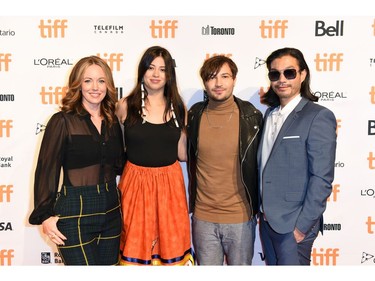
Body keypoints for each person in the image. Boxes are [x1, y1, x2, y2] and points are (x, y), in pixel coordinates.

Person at [28, 56, 126, 265]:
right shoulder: (62, 121)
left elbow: (119, 165)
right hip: (74, 213)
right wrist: (45, 215)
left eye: (101, 81)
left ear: (108, 85)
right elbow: (47, 169)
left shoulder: (112, 121)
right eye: (87, 80)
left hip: (111, 211)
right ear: (78, 84)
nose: (95, 87)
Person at [116, 46, 194, 266]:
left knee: (171, 248)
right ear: (142, 71)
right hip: (135, 186)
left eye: (162, 69)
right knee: (134, 248)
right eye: (151, 68)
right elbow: (118, 148)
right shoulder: (124, 106)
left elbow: (182, 154)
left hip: (170, 187)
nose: (156, 74)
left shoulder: (179, 108)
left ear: (170, 74)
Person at [258, 47, 337, 265]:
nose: (281, 79)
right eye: (275, 74)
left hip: (293, 225)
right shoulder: (270, 114)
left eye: (289, 73)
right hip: (266, 222)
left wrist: (302, 226)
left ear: (302, 75)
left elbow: (322, 178)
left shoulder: (318, 116)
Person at [186, 55, 263, 265]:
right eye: (212, 77)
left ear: (234, 79)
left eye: (225, 76)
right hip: (203, 217)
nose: (218, 83)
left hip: (240, 217)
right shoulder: (194, 115)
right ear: (204, 82)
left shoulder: (252, 116)